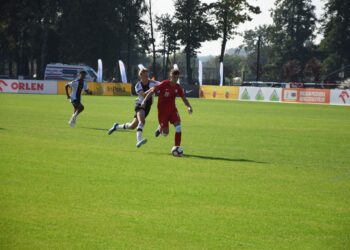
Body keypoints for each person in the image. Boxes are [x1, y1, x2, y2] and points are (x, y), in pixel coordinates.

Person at [141, 68, 193, 154]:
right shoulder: (164, 84)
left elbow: (184, 98)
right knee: (165, 133)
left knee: (178, 127)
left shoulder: (178, 87)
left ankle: (177, 147)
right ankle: (160, 128)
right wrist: (144, 101)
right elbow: (152, 92)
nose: (176, 79)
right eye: (174, 77)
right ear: (170, 76)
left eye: (177, 78)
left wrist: (189, 107)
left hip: (172, 110)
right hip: (162, 112)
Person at [107, 68, 158, 148]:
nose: (147, 77)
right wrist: (151, 90)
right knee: (142, 121)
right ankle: (139, 140)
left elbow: (162, 84)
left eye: (147, 75)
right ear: (140, 76)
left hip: (148, 107)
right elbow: (143, 94)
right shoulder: (138, 85)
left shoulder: (152, 83)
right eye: (145, 76)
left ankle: (116, 126)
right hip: (140, 105)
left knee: (132, 126)